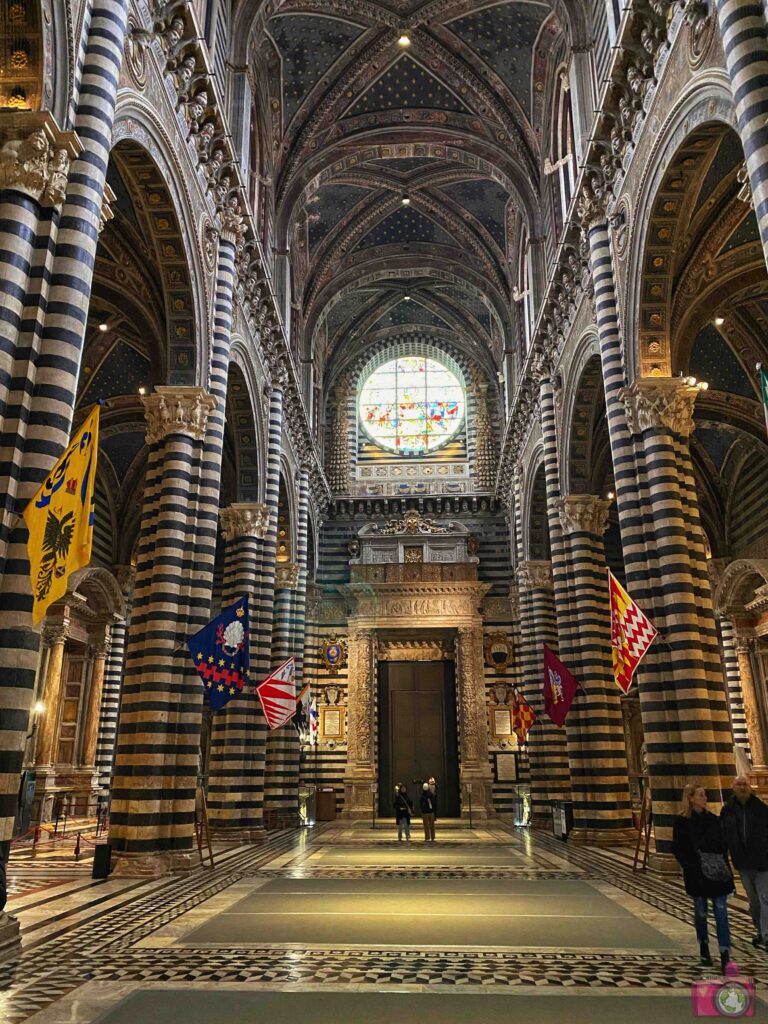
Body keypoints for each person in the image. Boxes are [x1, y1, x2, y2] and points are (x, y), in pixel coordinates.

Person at [672, 783, 734, 971]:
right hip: (697, 874)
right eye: (700, 795)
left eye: (704, 794)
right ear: (690, 798)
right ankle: (704, 946)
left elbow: (723, 845)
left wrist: (725, 870)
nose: (704, 798)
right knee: (701, 912)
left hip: (717, 874)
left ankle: (725, 952)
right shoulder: (682, 822)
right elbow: (678, 848)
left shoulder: (714, 820)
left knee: (721, 912)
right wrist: (690, 867)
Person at [721, 775, 768, 949]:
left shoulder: (761, 809)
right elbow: (725, 836)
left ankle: (766, 934)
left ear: (750, 787)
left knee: (765, 898)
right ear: (733, 787)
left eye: (745, 785)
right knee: (754, 902)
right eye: (739, 784)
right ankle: (759, 930)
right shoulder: (728, 810)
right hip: (743, 863)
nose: (742, 788)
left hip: (763, 862)